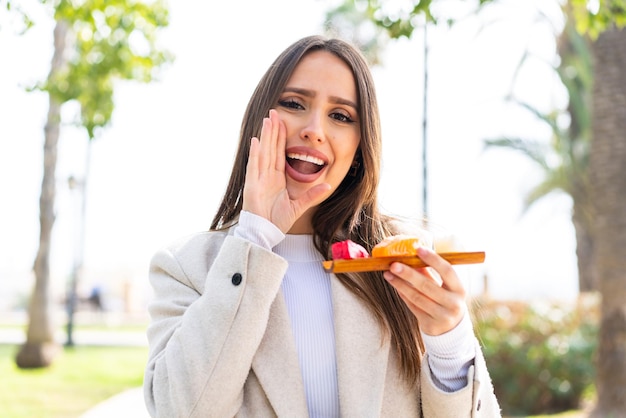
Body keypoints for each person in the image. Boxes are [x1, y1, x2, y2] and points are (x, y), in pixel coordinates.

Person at [143, 35, 501, 417]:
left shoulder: (401, 264)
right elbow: (180, 409)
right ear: (259, 120)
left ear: (360, 146)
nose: (315, 129)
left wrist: (449, 344)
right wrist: (254, 236)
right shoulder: (187, 267)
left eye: (341, 116)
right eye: (294, 104)